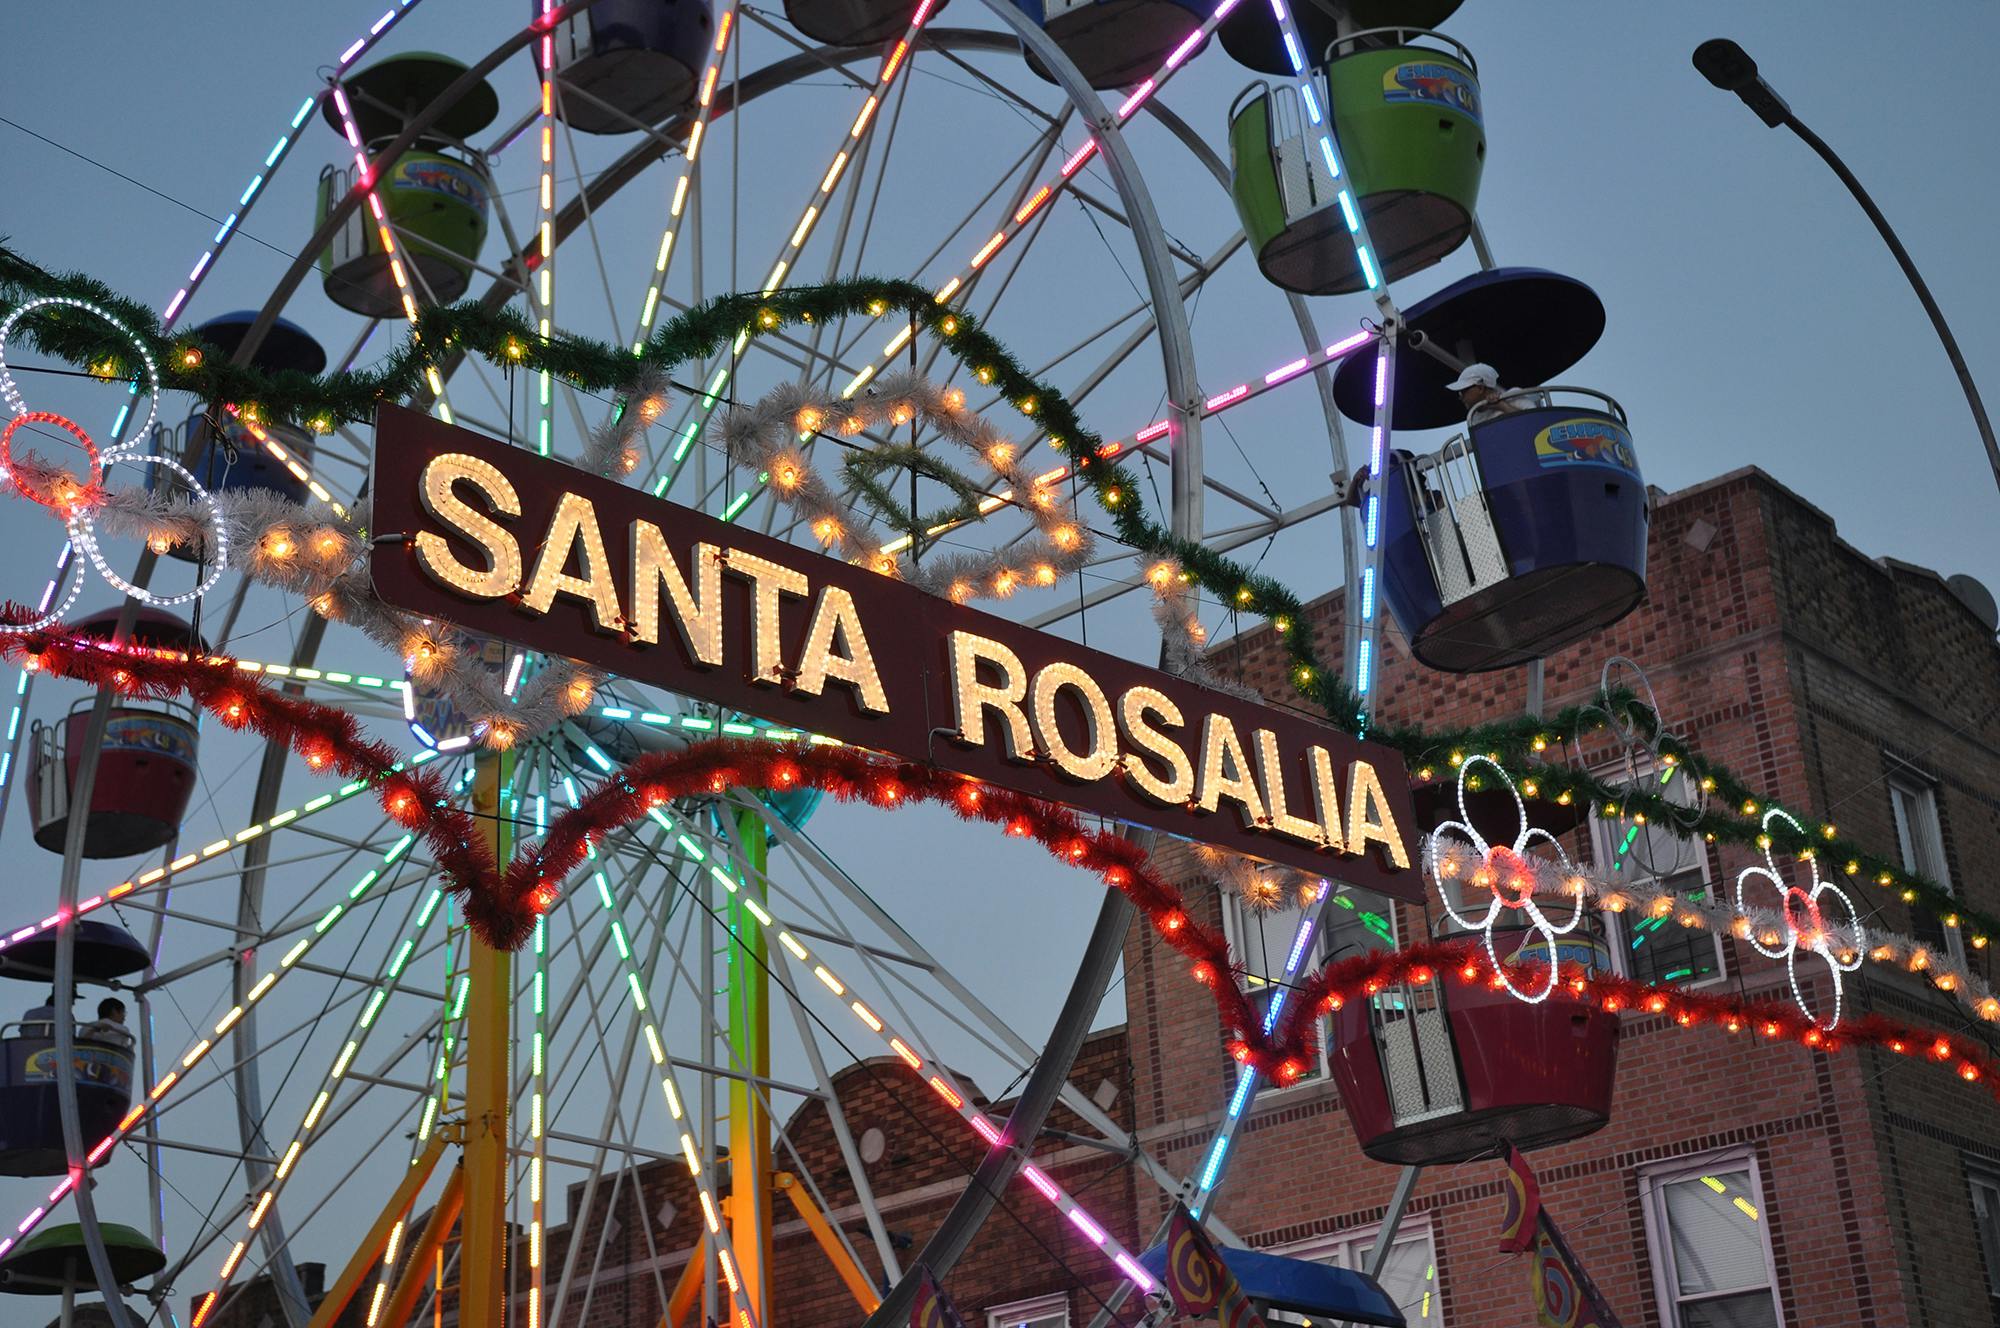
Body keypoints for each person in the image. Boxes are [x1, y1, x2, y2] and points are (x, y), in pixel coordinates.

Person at [1446, 362, 1527, 419]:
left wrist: (1501, 405)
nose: (1461, 397)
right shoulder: (1474, 418)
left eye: (1463, 391)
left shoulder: (1515, 394)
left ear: (1480, 388)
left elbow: (1533, 423)